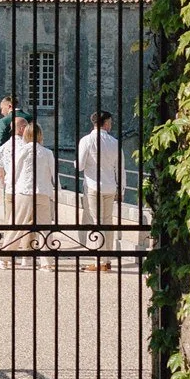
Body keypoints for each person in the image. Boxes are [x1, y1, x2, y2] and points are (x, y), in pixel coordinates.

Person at [0, 118, 58, 261]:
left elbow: (14, 172)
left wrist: (11, 186)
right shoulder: (47, 152)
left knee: (17, 226)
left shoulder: (22, 151)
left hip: (25, 191)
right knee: (45, 228)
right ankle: (46, 262)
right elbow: (54, 174)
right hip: (42, 192)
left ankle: (5, 258)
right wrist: (56, 191)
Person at [76, 110, 124, 271]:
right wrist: (121, 188)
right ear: (104, 123)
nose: (111, 125)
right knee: (108, 222)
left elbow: (81, 165)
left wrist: (76, 164)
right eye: (110, 122)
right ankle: (107, 259)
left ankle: (99, 260)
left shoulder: (87, 141)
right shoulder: (114, 142)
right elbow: (120, 168)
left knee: (97, 222)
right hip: (111, 186)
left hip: (93, 185)